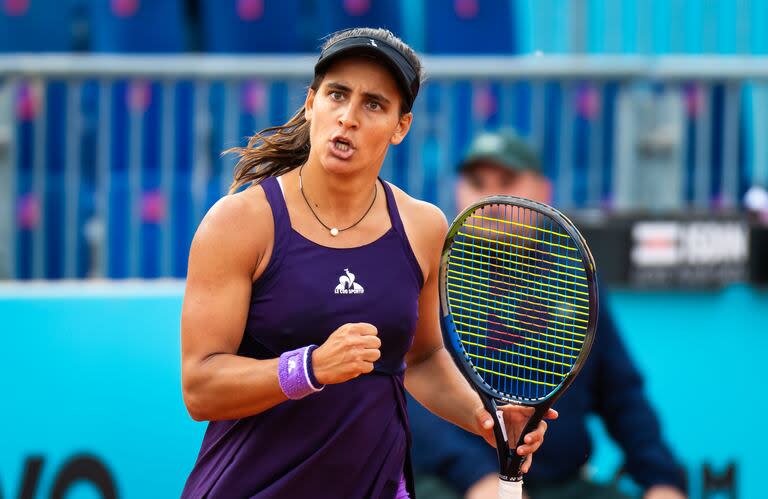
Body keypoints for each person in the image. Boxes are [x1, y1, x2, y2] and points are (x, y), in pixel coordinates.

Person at [179, 29, 556, 498]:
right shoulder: (239, 223)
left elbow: (420, 359)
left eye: (374, 104)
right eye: (338, 95)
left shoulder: (423, 227)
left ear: (401, 127)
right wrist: (310, 367)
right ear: (313, 103)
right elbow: (200, 386)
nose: (348, 117)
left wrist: (487, 417)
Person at [408, 130, 688, 499]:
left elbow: (622, 396)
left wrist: (662, 481)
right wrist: (477, 477)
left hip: (562, 486)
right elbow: (411, 392)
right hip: (454, 486)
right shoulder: (430, 276)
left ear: (542, 190)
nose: (490, 197)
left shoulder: (575, 280)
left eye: (507, 181)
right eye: (477, 183)